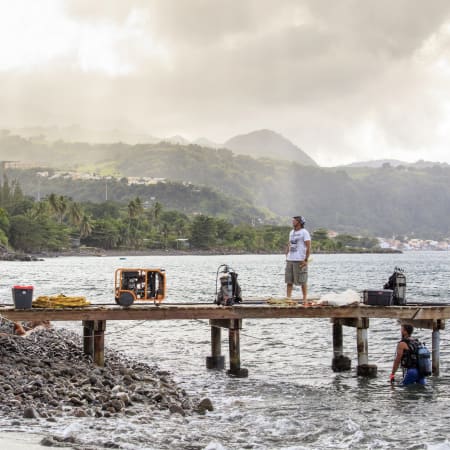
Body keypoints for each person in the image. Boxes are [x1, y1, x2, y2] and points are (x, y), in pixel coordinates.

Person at [285, 215, 311, 304]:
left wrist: (306, 260)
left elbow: (308, 247)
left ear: (299, 222)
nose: (292, 222)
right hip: (290, 259)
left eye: (294, 220)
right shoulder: (291, 232)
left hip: (300, 259)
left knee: (302, 280)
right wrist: (286, 255)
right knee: (289, 280)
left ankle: (304, 298)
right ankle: (288, 298)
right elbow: (289, 244)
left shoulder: (304, 232)